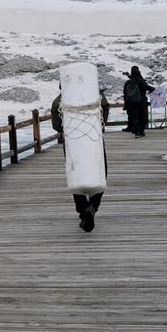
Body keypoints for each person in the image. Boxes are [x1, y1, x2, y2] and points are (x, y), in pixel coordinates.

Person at [51, 89, 109, 232]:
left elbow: (56, 125)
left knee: (75, 173)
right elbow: (105, 107)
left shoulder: (59, 100)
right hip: (94, 138)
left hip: (72, 141)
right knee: (100, 171)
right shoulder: (96, 95)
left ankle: (82, 208)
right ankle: (93, 206)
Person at [123, 66, 155, 138]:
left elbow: (124, 93)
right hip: (141, 102)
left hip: (131, 103)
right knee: (142, 116)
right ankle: (141, 131)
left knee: (134, 117)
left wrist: (126, 104)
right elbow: (149, 88)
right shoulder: (141, 81)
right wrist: (153, 89)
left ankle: (136, 132)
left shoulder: (128, 82)